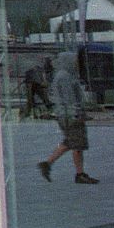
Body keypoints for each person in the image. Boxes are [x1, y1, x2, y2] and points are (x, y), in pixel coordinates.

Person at [38, 51, 98, 184]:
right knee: (77, 143)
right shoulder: (65, 77)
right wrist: (77, 113)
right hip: (70, 115)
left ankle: (48, 164)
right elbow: (69, 98)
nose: (76, 63)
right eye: (74, 60)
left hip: (66, 114)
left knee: (71, 142)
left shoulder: (64, 75)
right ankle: (79, 174)